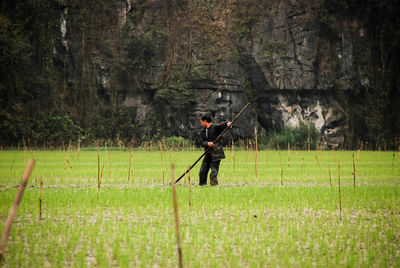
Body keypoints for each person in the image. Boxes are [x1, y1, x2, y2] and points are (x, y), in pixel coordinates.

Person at [199, 115, 232, 186]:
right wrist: (207, 143)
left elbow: (222, 125)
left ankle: (213, 186)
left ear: (205, 121)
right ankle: (202, 186)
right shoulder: (202, 131)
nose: (201, 124)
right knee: (202, 171)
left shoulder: (215, 128)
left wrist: (227, 124)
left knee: (213, 172)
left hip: (216, 154)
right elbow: (201, 142)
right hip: (207, 154)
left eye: (201, 122)